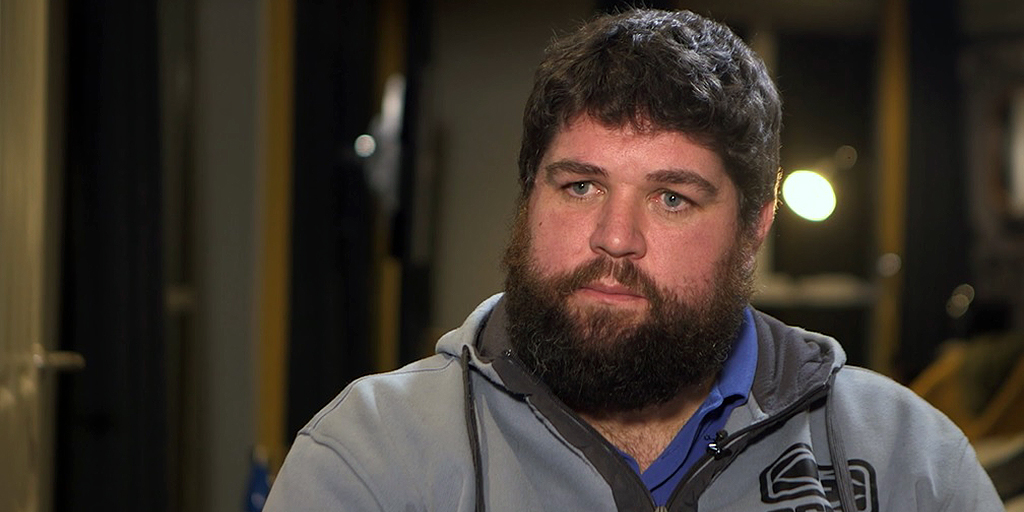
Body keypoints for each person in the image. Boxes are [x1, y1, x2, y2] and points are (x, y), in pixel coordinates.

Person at [265, 8, 1002, 511]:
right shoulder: (371, 456)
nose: (614, 238)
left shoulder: (909, 461)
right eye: (581, 186)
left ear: (755, 228)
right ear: (529, 198)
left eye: (671, 198)